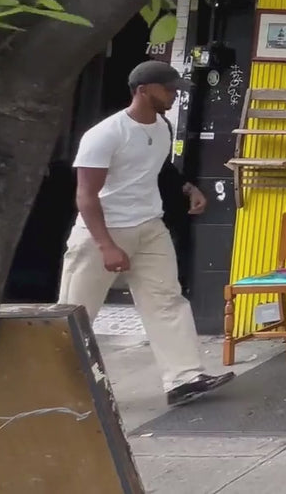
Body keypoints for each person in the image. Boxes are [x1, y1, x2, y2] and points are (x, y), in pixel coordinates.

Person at [60, 61, 235, 407]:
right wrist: (105, 245)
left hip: (150, 227)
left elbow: (159, 167)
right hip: (102, 231)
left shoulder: (162, 126)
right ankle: (59, 384)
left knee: (167, 299)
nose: (174, 95)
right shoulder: (105, 134)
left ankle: (185, 378)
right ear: (142, 90)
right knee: (75, 312)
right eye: (168, 89)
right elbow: (86, 195)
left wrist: (188, 188)